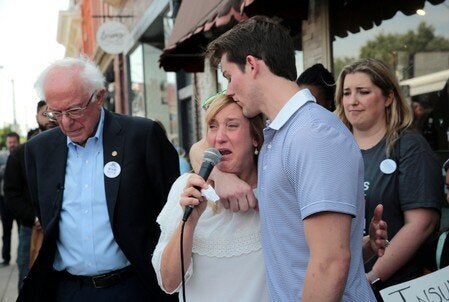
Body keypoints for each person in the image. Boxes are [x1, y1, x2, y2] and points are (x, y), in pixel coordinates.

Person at [203, 15, 376, 301]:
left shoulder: (313, 134)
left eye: (228, 76)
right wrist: (219, 175)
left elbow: (330, 262)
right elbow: (204, 146)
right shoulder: (280, 134)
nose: (229, 90)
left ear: (252, 65)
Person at [153, 93, 388, 301]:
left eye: (232, 126)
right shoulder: (188, 189)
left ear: (255, 138)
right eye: (212, 126)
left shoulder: (277, 189)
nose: (219, 137)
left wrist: (365, 247)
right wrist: (190, 221)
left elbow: (315, 257)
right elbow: (169, 282)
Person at [19, 56, 180, 301]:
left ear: (99, 97)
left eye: (74, 110)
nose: (65, 122)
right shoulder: (38, 150)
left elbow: (173, 210)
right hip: (67, 290)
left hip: (132, 286)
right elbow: (46, 212)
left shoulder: (142, 136)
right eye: (56, 113)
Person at [334, 58, 441, 297]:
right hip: (338, 285)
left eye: (363, 92)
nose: (352, 101)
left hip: (394, 288)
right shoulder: (333, 149)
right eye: (347, 93)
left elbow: (421, 224)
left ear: (389, 98)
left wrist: (371, 278)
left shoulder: (409, 147)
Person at [3, 100, 57, 289]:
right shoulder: (20, 153)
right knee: (29, 278)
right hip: (32, 229)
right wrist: (33, 218)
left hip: (63, 227)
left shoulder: (71, 147)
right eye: (45, 113)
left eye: (54, 113)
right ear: (36, 117)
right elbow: (11, 193)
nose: (51, 119)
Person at [0, 131, 20, 267]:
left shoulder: (23, 154)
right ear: (7, 143)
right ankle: (5, 258)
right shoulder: (1, 157)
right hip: (4, 200)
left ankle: (21, 258)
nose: (12, 145)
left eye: (14, 142)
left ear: (18, 142)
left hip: (20, 201)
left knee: (22, 231)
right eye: (10, 142)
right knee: (6, 232)